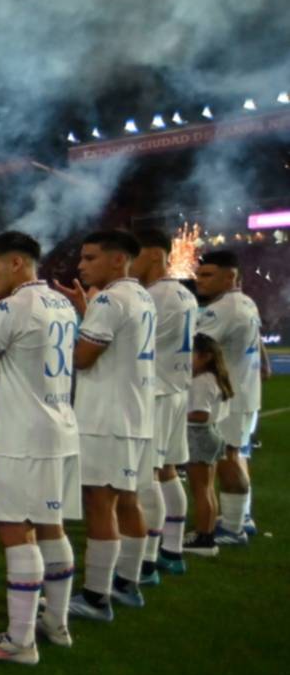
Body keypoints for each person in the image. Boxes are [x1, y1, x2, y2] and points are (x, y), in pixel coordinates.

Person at [0, 230, 82, 660]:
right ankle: (57, 624)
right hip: (59, 426)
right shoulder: (58, 303)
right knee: (51, 526)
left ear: (17, 264)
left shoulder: (12, 306)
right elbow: (11, 346)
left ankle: (20, 641)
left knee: (14, 532)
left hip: (21, 436)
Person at [56, 230, 155, 622]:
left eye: (90, 257)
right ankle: (128, 583)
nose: (81, 265)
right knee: (127, 500)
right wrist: (86, 313)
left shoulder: (111, 298)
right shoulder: (142, 296)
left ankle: (97, 598)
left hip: (105, 418)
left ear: (118, 260)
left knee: (101, 503)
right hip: (136, 414)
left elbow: (82, 357)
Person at [134, 228, 197, 579]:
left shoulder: (154, 296)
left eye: (135, 255)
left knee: (149, 477)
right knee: (170, 471)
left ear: (155, 255)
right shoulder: (185, 294)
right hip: (177, 390)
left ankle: (147, 560)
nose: (129, 263)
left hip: (156, 392)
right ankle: (172, 550)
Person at [194, 250, 265, 545]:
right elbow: (257, 341)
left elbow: (196, 350)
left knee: (228, 459)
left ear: (230, 276)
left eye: (208, 275)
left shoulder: (221, 309)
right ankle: (241, 518)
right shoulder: (246, 301)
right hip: (245, 394)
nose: (200, 281)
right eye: (199, 274)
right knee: (237, 454)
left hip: (229, 398)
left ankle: (233, 530)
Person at [183, 334, 234, 556]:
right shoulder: (213, 378)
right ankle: (206, 533)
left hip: (200, 435)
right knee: (208, 489)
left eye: (192, 354)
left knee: (201, 490)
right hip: (211, 435)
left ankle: (204, 539)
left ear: (206, 356)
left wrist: (177, 415)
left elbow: (200, 415)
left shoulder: (202, 381)